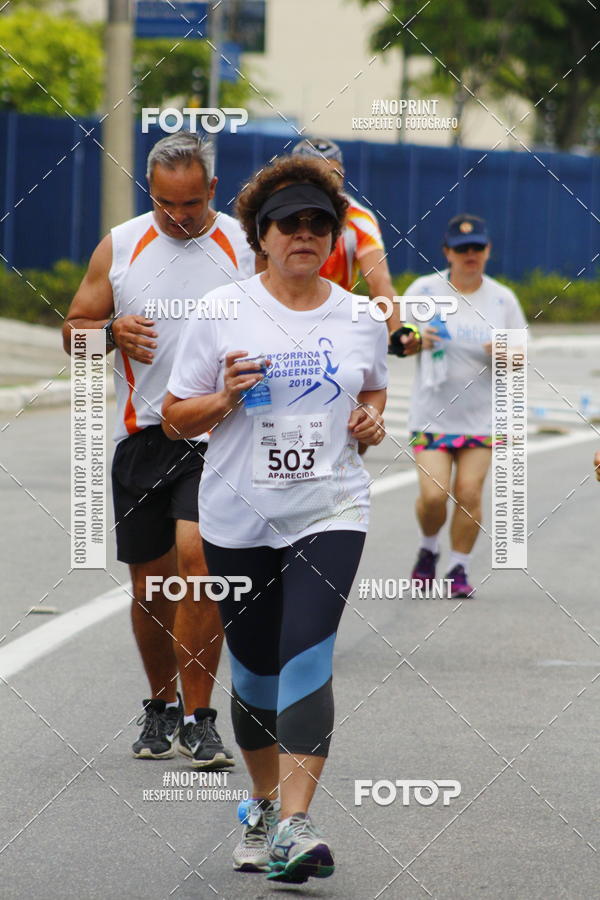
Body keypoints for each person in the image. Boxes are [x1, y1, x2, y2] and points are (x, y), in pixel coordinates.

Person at [162, 156, 387, 883]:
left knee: (307, 656)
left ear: (333, 237)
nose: (305, 235)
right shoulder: (222, 311)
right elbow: (172, 419)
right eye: (289, 223)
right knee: (255, 676)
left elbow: (375, 395)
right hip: (237, 517)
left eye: (319, 224)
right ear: (261, 236)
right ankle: (261, 803)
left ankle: (296, 824)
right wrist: (223, 400)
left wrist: (369, 421)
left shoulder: (359, 317)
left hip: (331, 508)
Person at [62, 132, 254, 766]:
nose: (180, 217)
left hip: (220, 435)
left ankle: (201, 716)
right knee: (152, 588)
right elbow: (74, 334)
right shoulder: (121, 246)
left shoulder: (243, 246)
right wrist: (110, 332)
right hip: (144, 437)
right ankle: (161, 703)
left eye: (192, 204)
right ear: (153, 194)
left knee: (199, 564)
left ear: (213, 192)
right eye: (168, 204)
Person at [405, 214, 527, 598]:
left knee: (470, 493)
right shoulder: (424, 290)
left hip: (482, 419)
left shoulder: (502, 298)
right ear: (447, 253)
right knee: (433, 496)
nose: (469, 255)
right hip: (432, 416)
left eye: (476, 247)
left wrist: (505, 350)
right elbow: (396, 339)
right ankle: (428, 548)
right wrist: (413, 339)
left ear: (488, 250)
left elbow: (522, 354)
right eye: (461, 249)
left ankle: (459, 567)